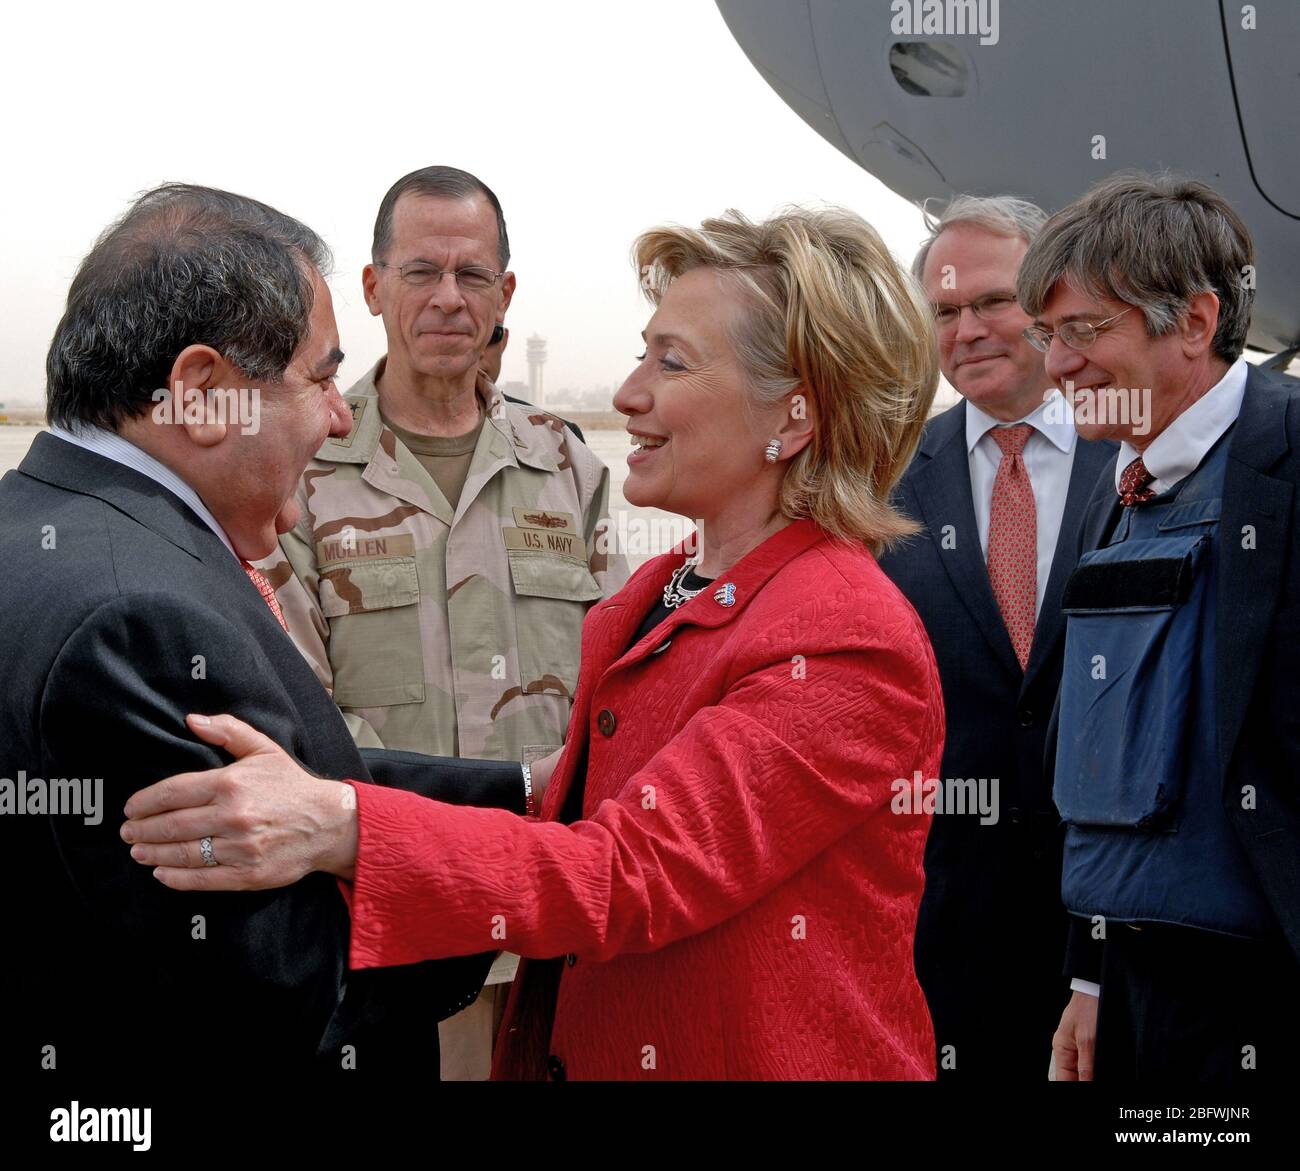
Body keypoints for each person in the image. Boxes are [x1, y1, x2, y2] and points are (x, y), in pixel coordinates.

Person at [124, 206, 945, 1080]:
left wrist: (342, 824)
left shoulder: (846, 636)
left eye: (671, 362)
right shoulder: (654, 593)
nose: (629, 395)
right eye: (642, 354)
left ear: (796, 412)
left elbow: (629, 872)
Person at [0, 183, 526, 1081]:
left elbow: (297, 781)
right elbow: (290, 994)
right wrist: (528, 878)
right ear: (203, 394)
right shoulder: (138, 621)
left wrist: (523, 786)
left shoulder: (50, 524)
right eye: (321, 376)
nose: (340, 413)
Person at [257, 165, 627, 1078]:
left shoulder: (568, 470)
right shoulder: (304, 475)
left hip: (556, 914)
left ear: (506, 294)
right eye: (421, 272)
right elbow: (290, 709)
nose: (449, 298)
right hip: (388, 918)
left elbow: (622, 691)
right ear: (375, 289)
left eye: (473, 275)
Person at [1017, 172, 1300, 1083]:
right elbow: (1106, 755)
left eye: (1086, 330)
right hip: (1140, 990)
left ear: (1195, 320)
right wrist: (1092, 972)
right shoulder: (1120, 486)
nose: (1058, 365)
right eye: (1048, 336)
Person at [878, 196, 1116, 1080]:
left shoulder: (1139, 456)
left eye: (993, 301)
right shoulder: (884, 483)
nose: (968, 329)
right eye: (945, 312)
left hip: (1114, 928)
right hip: (943, 933)